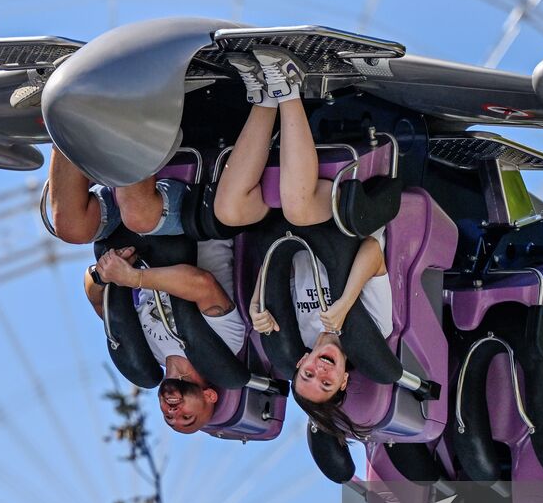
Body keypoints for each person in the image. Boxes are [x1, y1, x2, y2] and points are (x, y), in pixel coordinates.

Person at [212, 48, 393, 441]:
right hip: (345, 222)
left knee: (229, 210)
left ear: (302, 361)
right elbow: (374, 256)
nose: (321, 371)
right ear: (344, 380)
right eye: (326, 382)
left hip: (296, 227)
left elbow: (280, 260)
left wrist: (260, 302)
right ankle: (289, 85)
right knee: (296, 207)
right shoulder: (374, 329)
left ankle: (262, 97)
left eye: (308, 374)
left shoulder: (302, 330)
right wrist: (345, 304)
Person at [46, 148, 246, 434]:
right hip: (189, 215)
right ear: (209, 396)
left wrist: (101, 275)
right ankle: (131, 119)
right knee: (138, 213)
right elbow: (202, 285)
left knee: (70, 227)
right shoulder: (227, 344)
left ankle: (63, 126)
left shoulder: (146, 352)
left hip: (127, 233)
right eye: (187, 417)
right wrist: (133, 278)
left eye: (168, 418)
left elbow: (95, 296)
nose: (173, 413)